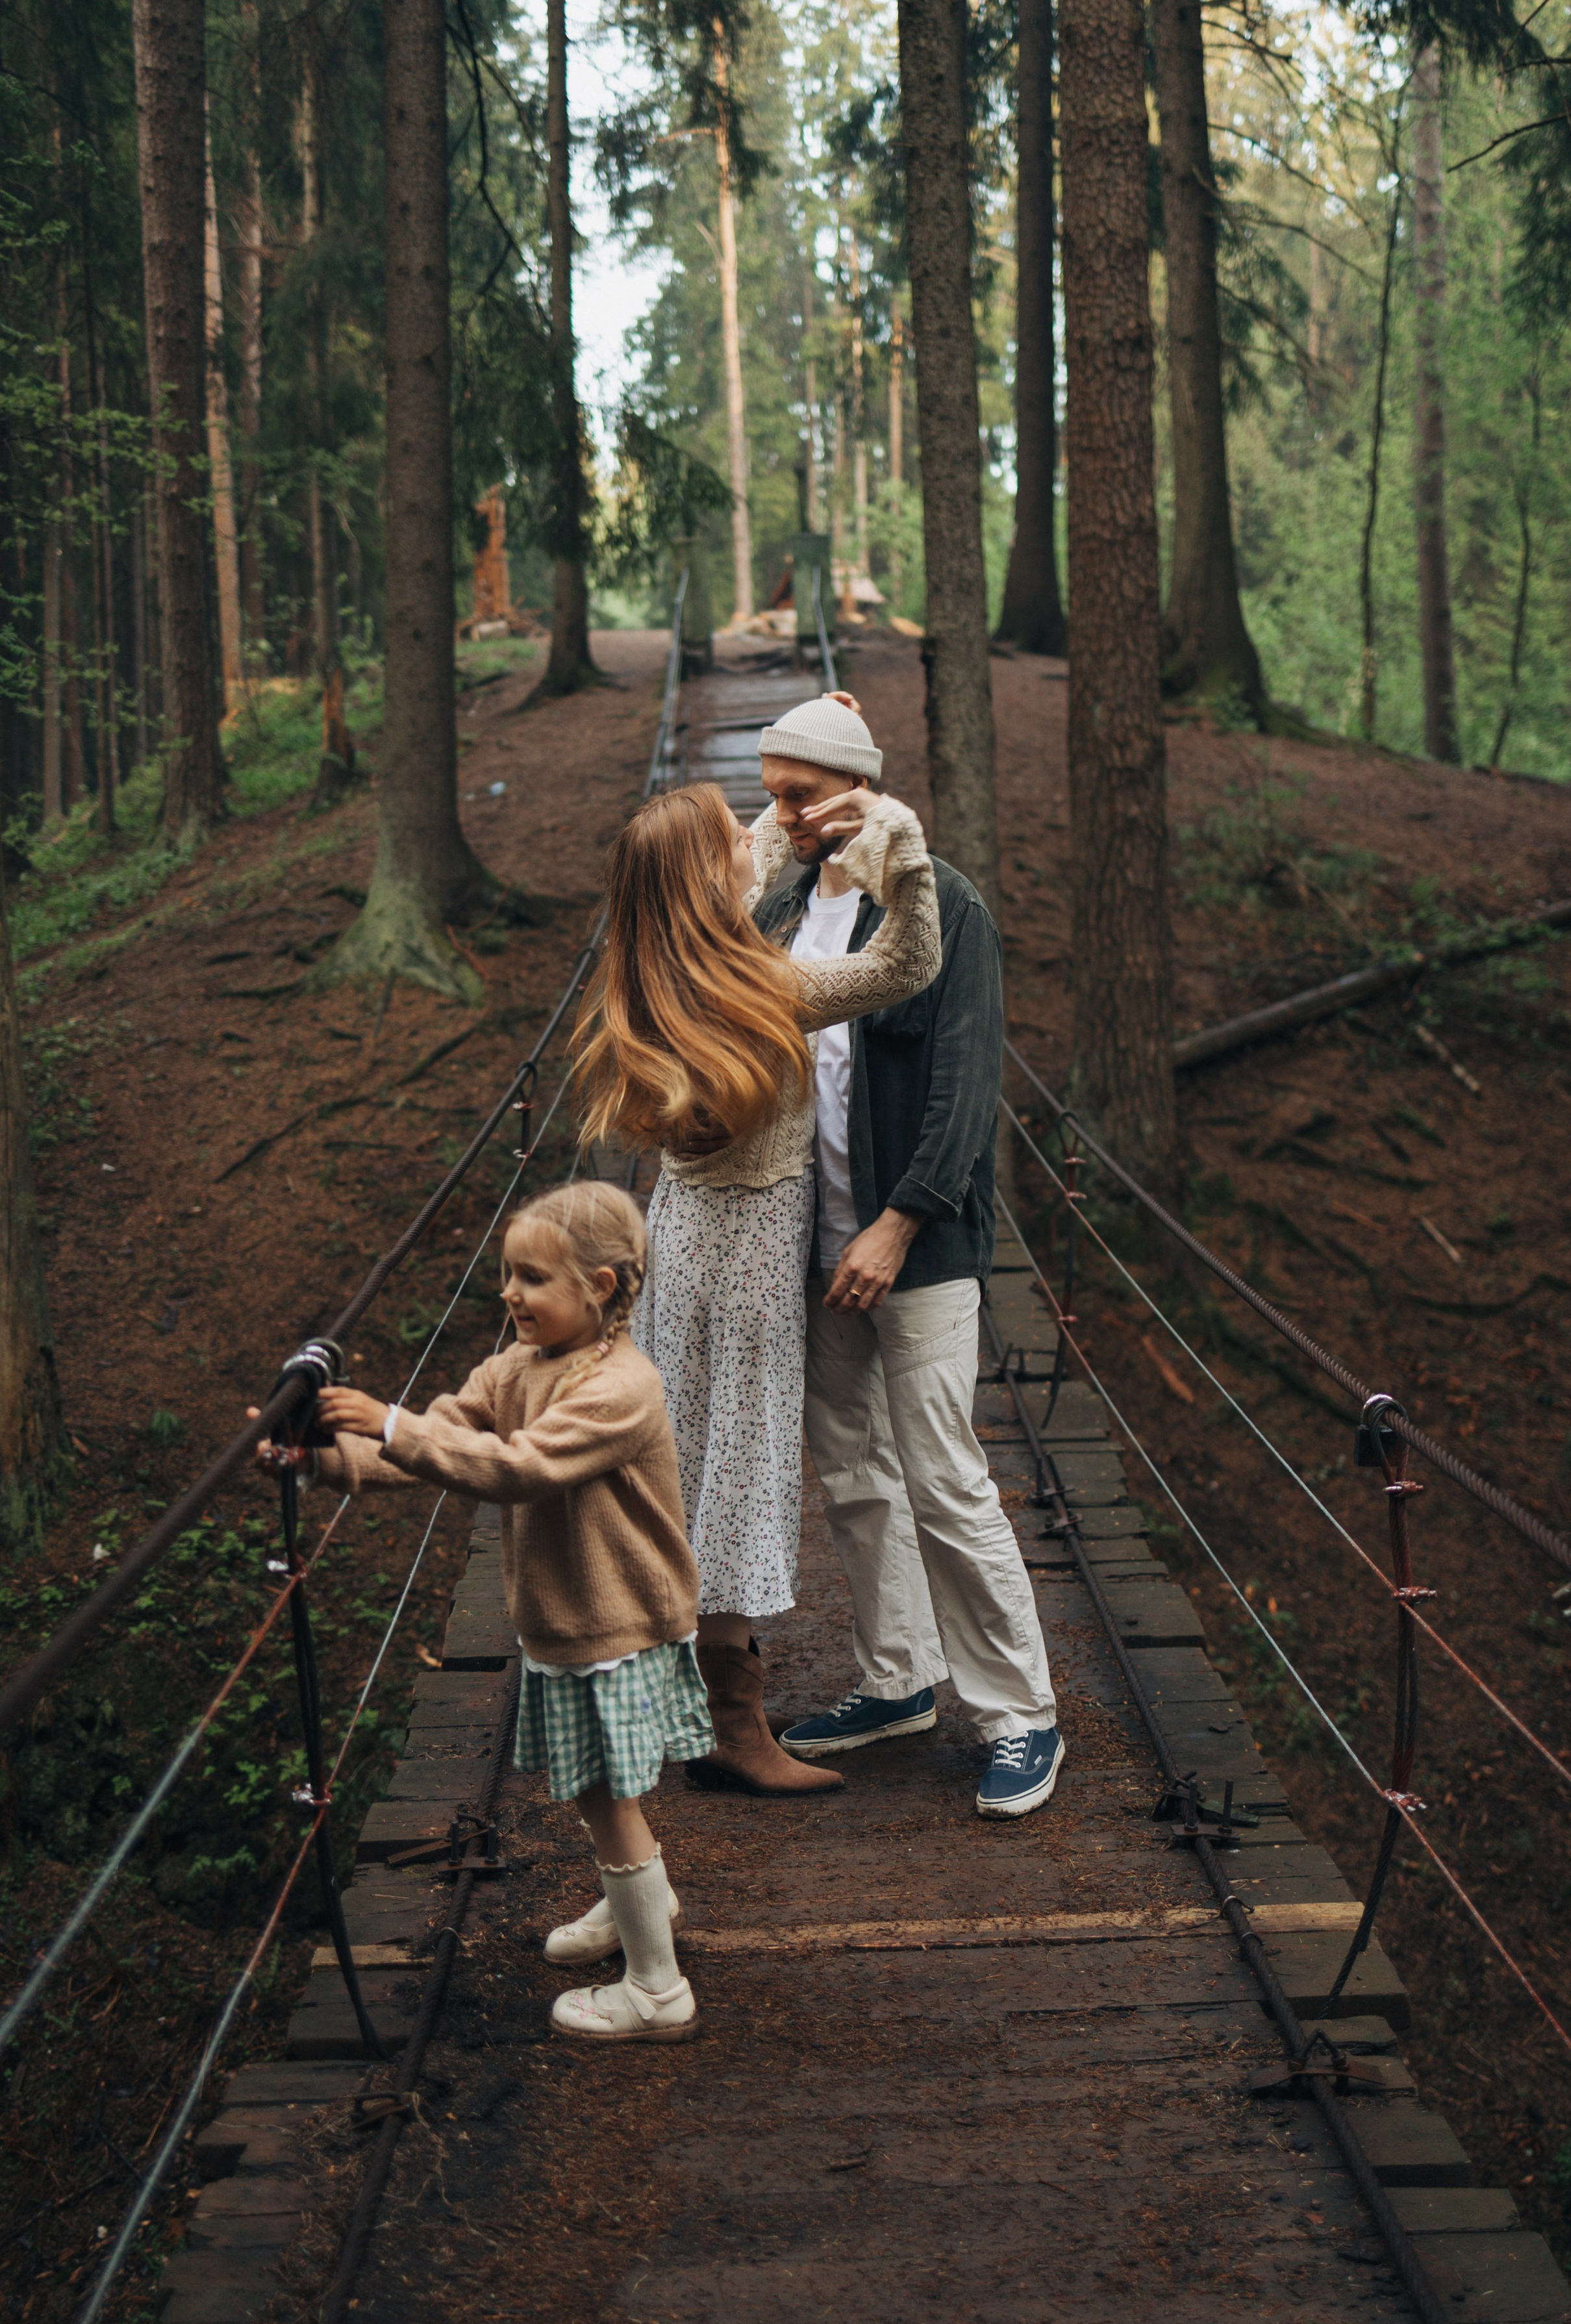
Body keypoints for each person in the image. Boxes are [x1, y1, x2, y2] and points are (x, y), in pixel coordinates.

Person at [256, 1182, 710, 2044]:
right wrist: (318, 1459)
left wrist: (390, 1422)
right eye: (506, 1275)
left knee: (607, 1794)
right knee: (591, 1789)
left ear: (602, 1288)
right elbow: (437, 1447)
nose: (510, 1294)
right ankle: (637, 1905)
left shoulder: (623, 1387)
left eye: (533, 1278)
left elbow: (515, 1468)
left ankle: (657, 1987)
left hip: (616, 1625)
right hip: (564, 1622)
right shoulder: (510, 1370)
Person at [571, 755, 941, 1797]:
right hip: (747, 1262)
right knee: (736, 1469)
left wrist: (799, 806)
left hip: (682, 1237)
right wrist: (895, 835)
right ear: (706, 882)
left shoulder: (662, 977)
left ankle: (678, 1708)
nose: (757, 835)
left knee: (686, 1463)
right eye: (737, 836)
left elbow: (737, 861)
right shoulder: (766, 986)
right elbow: (906, 963)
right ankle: (733, 1727)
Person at [748, 697, 1064, 1819]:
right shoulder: (784, 902)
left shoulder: (946, 904)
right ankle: (898, 1681)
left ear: (855, 790)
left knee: (940, 1470)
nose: (779, 814)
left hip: (913, 1245)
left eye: (797, 793)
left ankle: (1021, 1711)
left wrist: (902, 1221)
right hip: (810, 1235)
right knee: (854, 1468)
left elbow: (967, 1082)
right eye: (771, 793)